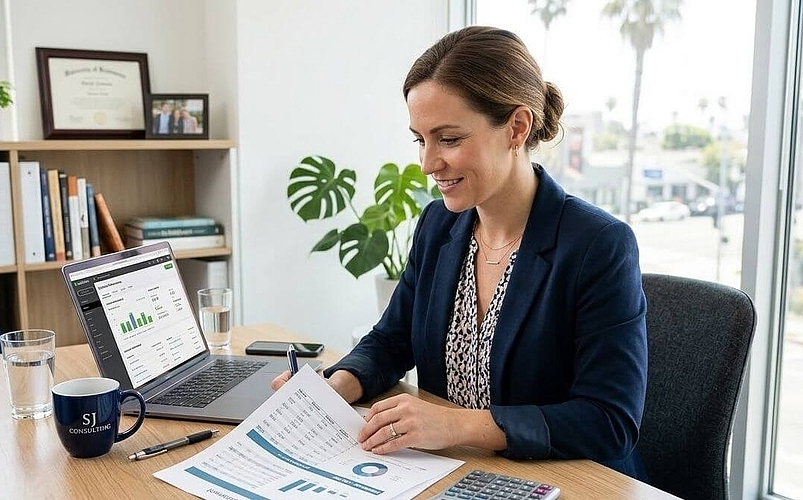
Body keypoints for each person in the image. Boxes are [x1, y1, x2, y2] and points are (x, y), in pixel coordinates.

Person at [272, 26, 648, 479]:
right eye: (420, 139)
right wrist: (335, 387)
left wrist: (455, 425)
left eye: (448, 139)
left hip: (567, 480)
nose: (427, 164)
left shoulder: (598, 245)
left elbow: (609, 419)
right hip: (455, 472)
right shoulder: (440, 224)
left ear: (517, 127)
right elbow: (392, 339)